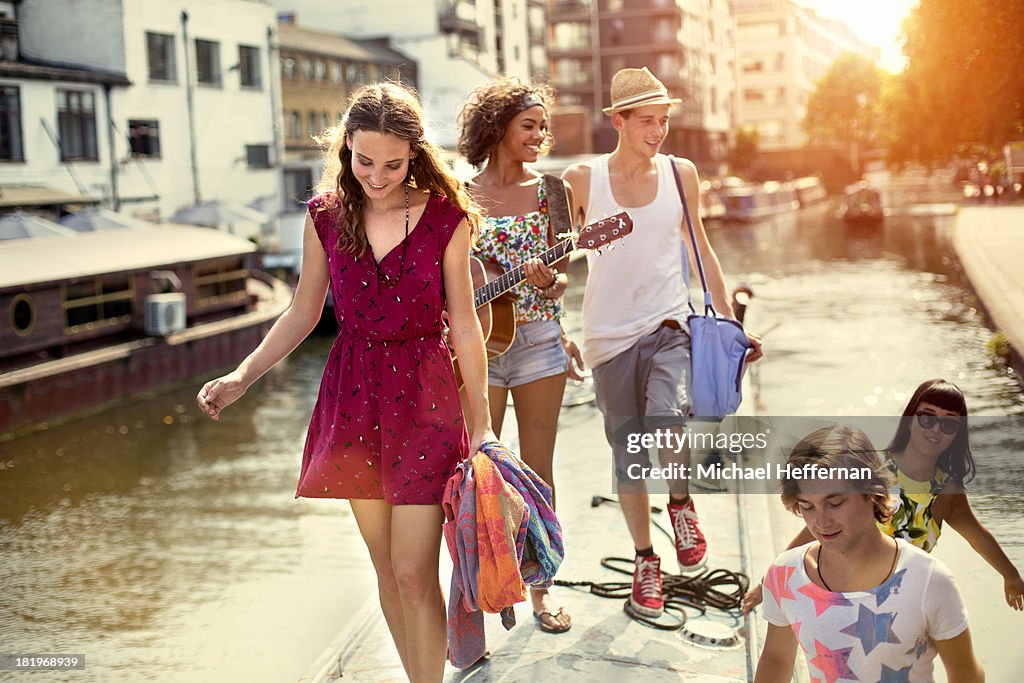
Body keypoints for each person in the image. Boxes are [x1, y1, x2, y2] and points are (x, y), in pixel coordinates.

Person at [196, 82, 494, 682]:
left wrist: (482, 427)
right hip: (355, 400)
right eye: (363, 161)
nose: (377, 176)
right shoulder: (326, 217)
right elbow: (303, 312)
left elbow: (464, 324)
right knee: (385, 568)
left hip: (426, 397)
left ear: (415, 155)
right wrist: (243, 376)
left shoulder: (447, 217)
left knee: (415, 570)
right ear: (345, 148)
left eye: (392, 164)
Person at [561, 66, 763, 618]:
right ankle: (646, 560)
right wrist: (551, 317)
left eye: (664, 120)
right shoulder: (583, 180)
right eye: (647, 121)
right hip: (606, 337)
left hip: (668, 323)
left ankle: (680, 503)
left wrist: (732, 323)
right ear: (618, 121)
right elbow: (556, 258)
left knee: (666, 418)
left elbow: (700, 247)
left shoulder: (681, 174)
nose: (657, 131)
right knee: (628, 459)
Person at [456, 78, 582, 634]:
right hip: (474, 344)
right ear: (497, 128)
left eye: (542, 127)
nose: (539, 135)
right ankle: (487, 587)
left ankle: (541, 589)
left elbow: (561, 283)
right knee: (480, 472)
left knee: (535, 470)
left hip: (537, 342)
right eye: (528, 125)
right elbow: (449, 275)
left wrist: (548, 280)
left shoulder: (552, 191)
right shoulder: (459, 194)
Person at [744, 378, 1024, 614]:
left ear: (957, 433)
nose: (935, 429)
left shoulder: (946, 491)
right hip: (843, 595)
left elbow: (977, 535)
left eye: (949, 424)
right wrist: (769, 580)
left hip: (902, 606)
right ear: (911, 418)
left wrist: (1010, 576)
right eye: (927, 418)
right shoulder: (872, 467)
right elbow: (816, 529)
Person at [755, 425, 985, 683]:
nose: (821, 522)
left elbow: (966, 675)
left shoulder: (929, 579)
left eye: (835, 503)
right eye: (807, 506)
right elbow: (776, 659)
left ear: (872, 493)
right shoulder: (785, 575)